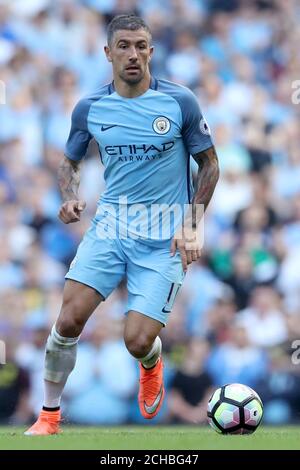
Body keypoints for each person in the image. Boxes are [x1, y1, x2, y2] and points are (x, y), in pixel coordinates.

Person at [25, 14, 219, 435]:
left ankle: (151, 361)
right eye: (125, 46)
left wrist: (193, 222)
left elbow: (209, 165)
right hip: (110, 227)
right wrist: (69, 195)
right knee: (68, 320)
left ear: (151, 50)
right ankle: (49, 415)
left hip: (165, 237)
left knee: (136, 340)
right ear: (108, 53)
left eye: (141, 46)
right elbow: (69, 162)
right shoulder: (91, 107)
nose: (133, 54)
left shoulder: (180, 101)